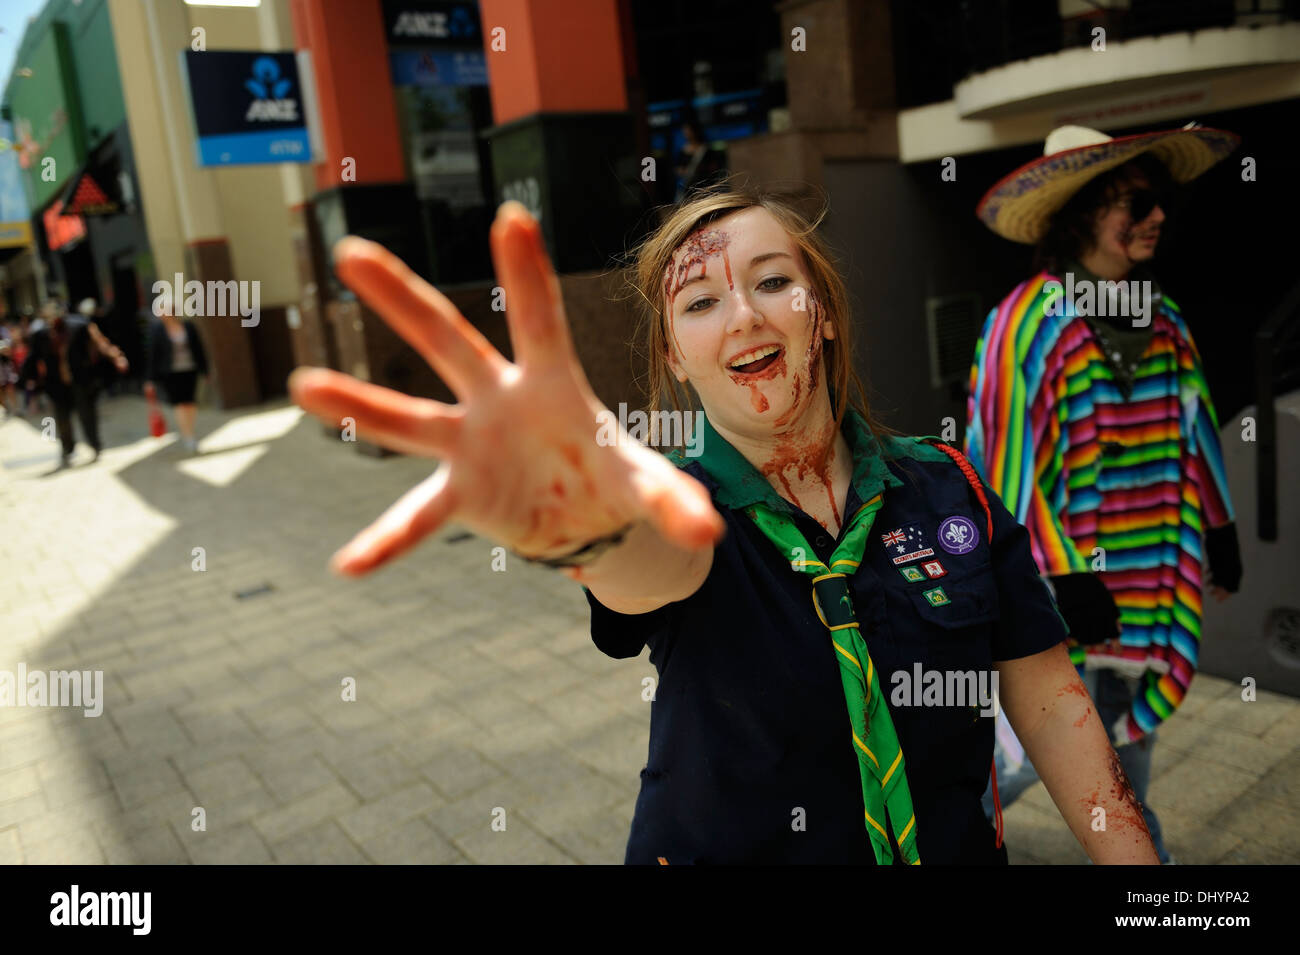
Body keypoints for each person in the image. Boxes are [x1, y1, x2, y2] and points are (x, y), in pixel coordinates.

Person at [288, 189, 1160, 865]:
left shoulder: (952, 485)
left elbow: (1048, 704)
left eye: (774, 281)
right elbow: (648, 561)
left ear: (820, 310)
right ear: (673, 352)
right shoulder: (677, 505)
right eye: (700, 301)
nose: (744, 313)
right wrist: (584, 529)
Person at [967, 125, 1244, 863]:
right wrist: (1066, 575)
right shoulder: (1025, 322)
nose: (1158, 217)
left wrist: (1220, 529)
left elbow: (1197, 428)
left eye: (1161, 202)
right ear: (1085, 212)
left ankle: (1138, 860)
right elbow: (1001, 467)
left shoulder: (1166, 319)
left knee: (1128, 733)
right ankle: (943, 834)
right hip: (1061, 596)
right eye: (1138, 202)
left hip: (1145, 584)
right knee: (1031, 750)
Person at [19, 300, 129, 467]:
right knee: (62, 419)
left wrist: (116, 357)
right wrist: (29, 378)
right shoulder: (40, 334)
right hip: (56, 383)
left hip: (80, 379)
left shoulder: (79, 325)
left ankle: (95, 445)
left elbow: (99, 342)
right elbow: (34, 357)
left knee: (88, 415)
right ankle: (67, 449)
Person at [145, 301, 208, 452]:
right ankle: (188, 436)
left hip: (189, 369)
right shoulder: (157, 330)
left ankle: (190, 430)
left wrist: (205, 370)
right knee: (179, 403)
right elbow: (153, 355)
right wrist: (150, 379)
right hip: (170, 373)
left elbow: (199, 348)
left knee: (190, 402)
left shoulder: (187, 326)